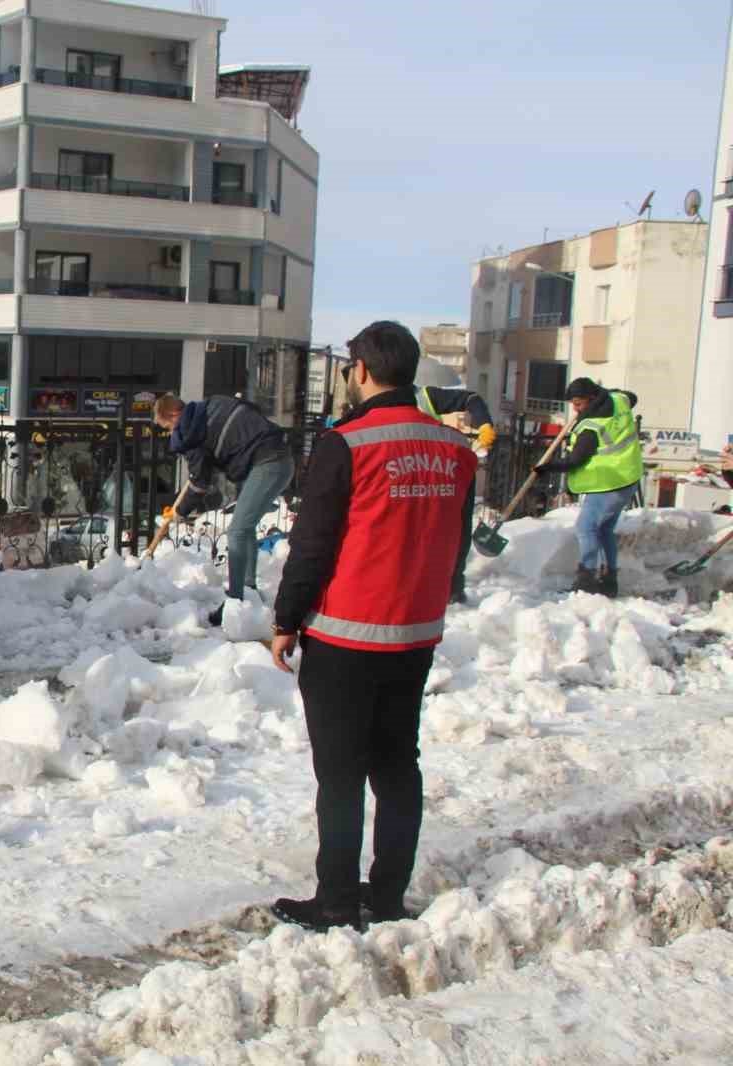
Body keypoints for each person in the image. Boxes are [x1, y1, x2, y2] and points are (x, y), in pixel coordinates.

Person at [268, 321, 477, 932]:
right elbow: (455, 544)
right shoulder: (454, 448)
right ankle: (386, 896)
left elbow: (313, 543)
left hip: (346, 633)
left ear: (359, 369)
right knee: (396, 764)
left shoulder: (349, 442)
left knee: (339, 775)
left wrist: (286, 618)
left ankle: (335, 900)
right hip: (415, 632)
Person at [153, 392, 294, 626]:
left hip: (268, 463)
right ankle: (248, 590)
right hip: (279, 458)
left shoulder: (190, 430)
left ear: (174, 414)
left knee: (237, 531)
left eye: (167, 427)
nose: (170, 433)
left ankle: (235, 600)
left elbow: (200, 482)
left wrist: (180, 512)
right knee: (245, 529)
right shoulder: (213, 405)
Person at [533, 377, 643, 598]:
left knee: (586, 528)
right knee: (603, 529)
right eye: (573, 403)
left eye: (579, 403)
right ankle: (609, 580)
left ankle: (587, 580)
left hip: (607, 483)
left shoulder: (591, 427)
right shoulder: (619, 400)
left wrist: (547, 467)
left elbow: (575, 460)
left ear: (592, 398)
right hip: (628, 477)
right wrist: (605, 393)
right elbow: (632, 397)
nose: (575, 407)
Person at [408, 358, 496, 604]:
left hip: (446, 469)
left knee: (457, 529)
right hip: (411, 473)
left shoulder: (426, 396)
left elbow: (472, 400)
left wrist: (484, 424)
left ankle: (453, 587)